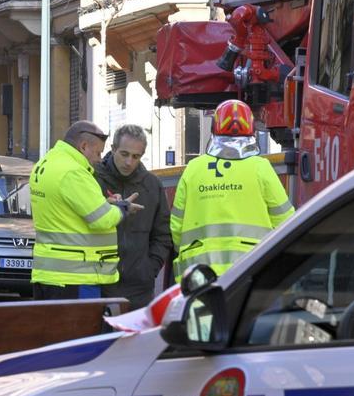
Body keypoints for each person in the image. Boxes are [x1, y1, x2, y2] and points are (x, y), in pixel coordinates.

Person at [171, 99, 294, 281]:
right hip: (250, 269)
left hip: (198, 274)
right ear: (251, 129)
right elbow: (286, 221)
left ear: (214, 128)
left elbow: (176, 228)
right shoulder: (260, 167)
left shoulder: (193, 169)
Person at [29, 120, 143, 300]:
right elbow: (102, 219)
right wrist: (122, 208)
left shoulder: (47, 163)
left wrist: (104, 203)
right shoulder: (73, 172)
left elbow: (66, 209)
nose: (99, 159)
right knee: (83, 328)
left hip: (49, 274)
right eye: (98, 152)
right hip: (76, 275)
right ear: (83, 146)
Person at [95, 124, 173, 310]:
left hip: (139, 288)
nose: (129, 162)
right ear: (113, 149)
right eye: (124, 154)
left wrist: (149, 269)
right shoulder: (93, 179)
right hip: (99, 283)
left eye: (136, 156)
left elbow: (162, 234)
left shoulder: (152, 185)